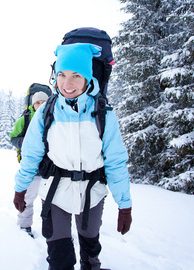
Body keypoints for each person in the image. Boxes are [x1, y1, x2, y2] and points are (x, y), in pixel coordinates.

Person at [13, 43, 132, 270]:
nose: (67, 84)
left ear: (88, 78)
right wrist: (21, 188)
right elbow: (30, 155)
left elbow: (115, 162)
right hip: (54, 193)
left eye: (76, 76)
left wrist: (124, 205)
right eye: (62, 75)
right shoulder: (46, 111)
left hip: (92, 194)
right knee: (59, 257)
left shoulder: (103, 113)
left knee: (90, 250)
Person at [10, 91, 49, 237]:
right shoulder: (25, 119)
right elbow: (13, 137)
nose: (40, 105)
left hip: (50, 169)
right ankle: (24, 226)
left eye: (43, 102)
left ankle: (51, 230)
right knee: (27, 199)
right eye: (37, 102)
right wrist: (23, 142)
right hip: (31, 169)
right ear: (32, 104)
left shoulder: (53, 116)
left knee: (50, 202)